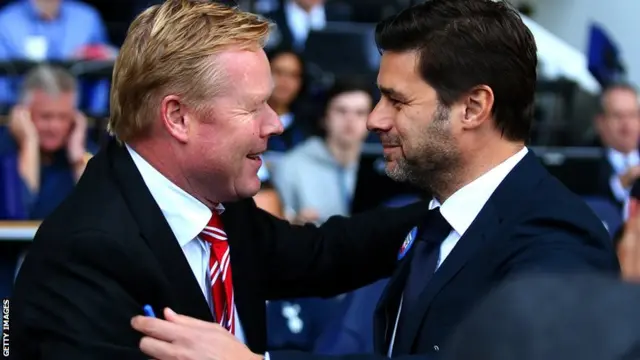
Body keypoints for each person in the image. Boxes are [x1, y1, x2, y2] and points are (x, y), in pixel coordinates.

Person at [130, 1, 620, 359]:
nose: (375, 120)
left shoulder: (557, 246)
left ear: (473, 107)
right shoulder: (439, 222)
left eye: (398, 101)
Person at [9, 1, 429, 359]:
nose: (274, 124)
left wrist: (451, 210)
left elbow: (324, 254)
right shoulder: (84, 256)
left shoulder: (221, 206)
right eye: (254, 107)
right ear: (178, 117)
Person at [0, 65, 97, 220]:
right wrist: (29, 143)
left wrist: (77, 158)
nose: (55, 127)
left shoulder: (85, 152)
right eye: (46, 117)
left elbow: (101, 210)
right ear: (23, 114)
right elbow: (18, 215)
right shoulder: (5, 151)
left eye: (63, 117)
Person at [272, 77, 372, 224]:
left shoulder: (380, 167)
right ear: (325, 116)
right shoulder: (291, 165)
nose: (350, 119)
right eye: (341, 111)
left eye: (360, 112)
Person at [593, 83, 640, 210]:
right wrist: (619, 184)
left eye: (632, 115)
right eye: (618, 116)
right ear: (600, 122)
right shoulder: (584, 160)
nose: (626, 125)